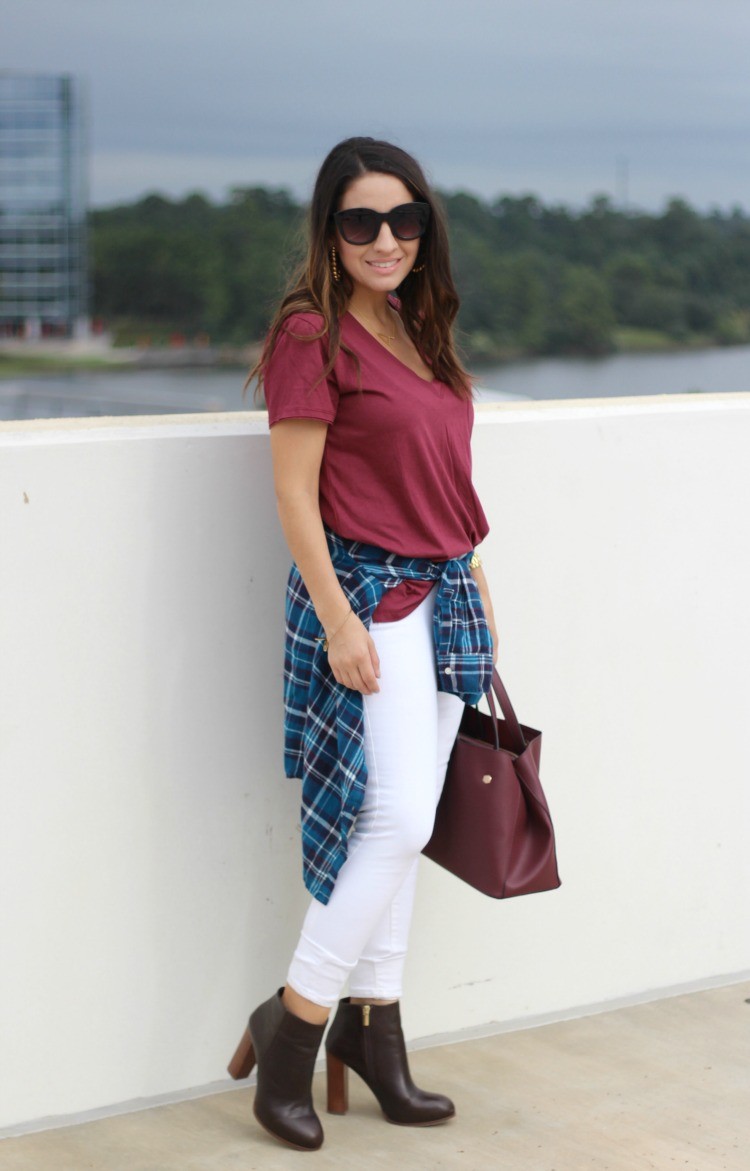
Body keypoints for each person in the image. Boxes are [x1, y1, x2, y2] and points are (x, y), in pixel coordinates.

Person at [228, 136, 498, 1152]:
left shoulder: (416, 327)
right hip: (369, 597)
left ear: (425, 230)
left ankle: (377, 1035)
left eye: (404, 220)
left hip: (441, 594)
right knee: (386, 816)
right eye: (361, 222)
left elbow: (443, 483)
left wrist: (474, 578)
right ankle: (295, 1025)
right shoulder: (315, 331)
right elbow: (295, 494)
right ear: (330, 231)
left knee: (416, 819)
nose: (385, 239)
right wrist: (341, 621)